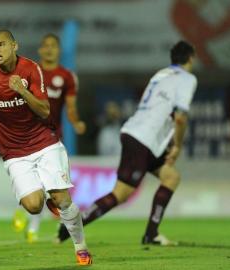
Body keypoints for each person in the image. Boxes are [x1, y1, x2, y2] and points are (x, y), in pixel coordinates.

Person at [0, 29, 92, 265]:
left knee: (62, 198)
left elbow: (44, 110)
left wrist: (22, 91)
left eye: (1, 45)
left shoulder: (31, 69)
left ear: (15, 46)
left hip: (44, 142)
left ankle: (80, 246)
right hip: (14, 151)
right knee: (33, 206)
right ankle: (48, 196)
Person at [57, 40, 197, 246]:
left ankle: (152, 234)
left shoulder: (161, 75)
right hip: (143, 139)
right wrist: (177, 145)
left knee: (171, 176)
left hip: (140, 135)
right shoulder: (187, 78)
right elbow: (180, 117)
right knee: (120, 194)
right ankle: (71, 224)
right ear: (191, 58)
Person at [12, 33, 86, 243]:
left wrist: (76, 122)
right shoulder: (30, 71)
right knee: (37, 186)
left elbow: (71, 107)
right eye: (45, 45)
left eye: (53, 45)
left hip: (52, 135)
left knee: (48, 186)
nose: (49, 49)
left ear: (59, 50)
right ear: (40, 50)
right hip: (27, 135)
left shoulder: (67, 76)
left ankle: (31, 225)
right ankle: (26, 214)